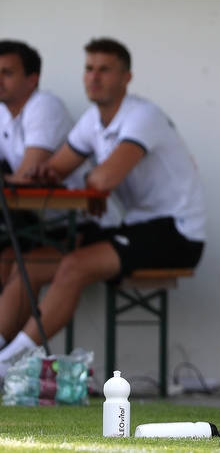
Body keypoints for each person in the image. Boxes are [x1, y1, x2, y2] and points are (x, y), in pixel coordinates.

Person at [0, 38, 206, 380]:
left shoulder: (143, 115)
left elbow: (104, 178)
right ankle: (6, 353)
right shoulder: (93, 120)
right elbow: (57, 171)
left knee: (72, 266)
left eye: (104, 70)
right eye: (89, 68)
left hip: (177, 232)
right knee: (32, 264)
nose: (93, 77)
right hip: (135, 226)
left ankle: (7, 365)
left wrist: (92, 184)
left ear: (126, 78)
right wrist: (47, 173)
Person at [0, 40, 84, 280]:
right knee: (4, 260)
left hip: (79, 224)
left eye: (7, 73)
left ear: (31, 79)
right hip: (37, 223)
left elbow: (25, 179)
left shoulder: (44, 106)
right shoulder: (2, 112)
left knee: (22, 267)